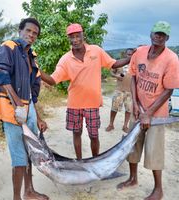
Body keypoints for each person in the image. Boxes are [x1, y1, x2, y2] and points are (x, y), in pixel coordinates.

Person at [40, 23, 132, 160]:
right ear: (68, 39)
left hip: (92, 103)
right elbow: (53, 80)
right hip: (74, 104)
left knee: (94, 135)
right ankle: (79, 161)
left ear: (83, 35)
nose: (75, 40)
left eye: (78, 36)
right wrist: (36, 69)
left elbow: (113, 63)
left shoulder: (96, 51)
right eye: (72, 37)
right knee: (76, 133)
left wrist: (132, 58)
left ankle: (95, 161)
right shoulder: (65, 59)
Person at [0, 18, 49, 200]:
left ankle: (29, 191)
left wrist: (37, 118)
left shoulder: (31, 57)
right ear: (20, 30)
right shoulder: (9, 47)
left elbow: (32, 93)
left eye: (35, 33)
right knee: (19, 156)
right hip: (11, 110)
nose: (31, 35)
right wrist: (17, 105)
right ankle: (17, 197)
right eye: (28, 31)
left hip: (27, 110)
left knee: (31, 152)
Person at [117, 21, 179, 200]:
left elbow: (169, 90)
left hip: (156, 115)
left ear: (167, 38)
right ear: (151, 34)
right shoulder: (140, 52)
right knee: (132, 147)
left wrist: (149, 113)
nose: (158, 37)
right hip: (138, 110)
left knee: (154, 151)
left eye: (162, 34)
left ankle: (158, 189)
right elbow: (134, 78)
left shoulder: (172, 59)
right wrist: (135, 104)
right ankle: (132, 179)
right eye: (156, 33)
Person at [105, 48, 134, 133]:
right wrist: (116, 76)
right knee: (114, 108)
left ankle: (125, 126)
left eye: (131, 54)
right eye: (128, 54)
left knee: (129, 110)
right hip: (119, 90)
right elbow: (111, 72)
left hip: (130, 92)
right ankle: (111, 124)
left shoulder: (135, 65)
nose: (130, 56)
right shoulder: (120, 63)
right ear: (125, 54)